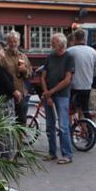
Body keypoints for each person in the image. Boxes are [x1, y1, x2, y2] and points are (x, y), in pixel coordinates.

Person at [38, 32, 75, 164]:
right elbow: (43, 76)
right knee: (49, 125)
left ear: (60, 44)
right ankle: (52, 152)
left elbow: (67, 80)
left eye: (53, 42)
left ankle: (67, 154)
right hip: (49, 94)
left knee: (63, 125)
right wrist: (46, 92)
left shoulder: (69, 57)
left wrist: (50, 92)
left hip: (62, 95)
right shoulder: (50, 57)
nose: (51, 44)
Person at [66, 29, 96, 121]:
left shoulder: (69, 51)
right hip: (87, 85)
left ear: (75, 38)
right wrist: (89, 74)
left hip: (73, 86)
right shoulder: (92, 51)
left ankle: (69, 130)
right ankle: (88, 129)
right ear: (84, 39)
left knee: (69, 109)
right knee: (85, 109)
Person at [0, 31, 32, 125]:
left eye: (15, 41)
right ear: (7, 42)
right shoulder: (3, 56)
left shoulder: (23, 56)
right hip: (8, 95)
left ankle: (20, 140)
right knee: (8, 123)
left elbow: (30, 73)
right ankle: (9, 140)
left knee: (21, 122)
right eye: (10, 41)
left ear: (18, 42)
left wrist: (25, 70)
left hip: (22, 94)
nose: (13, 44)